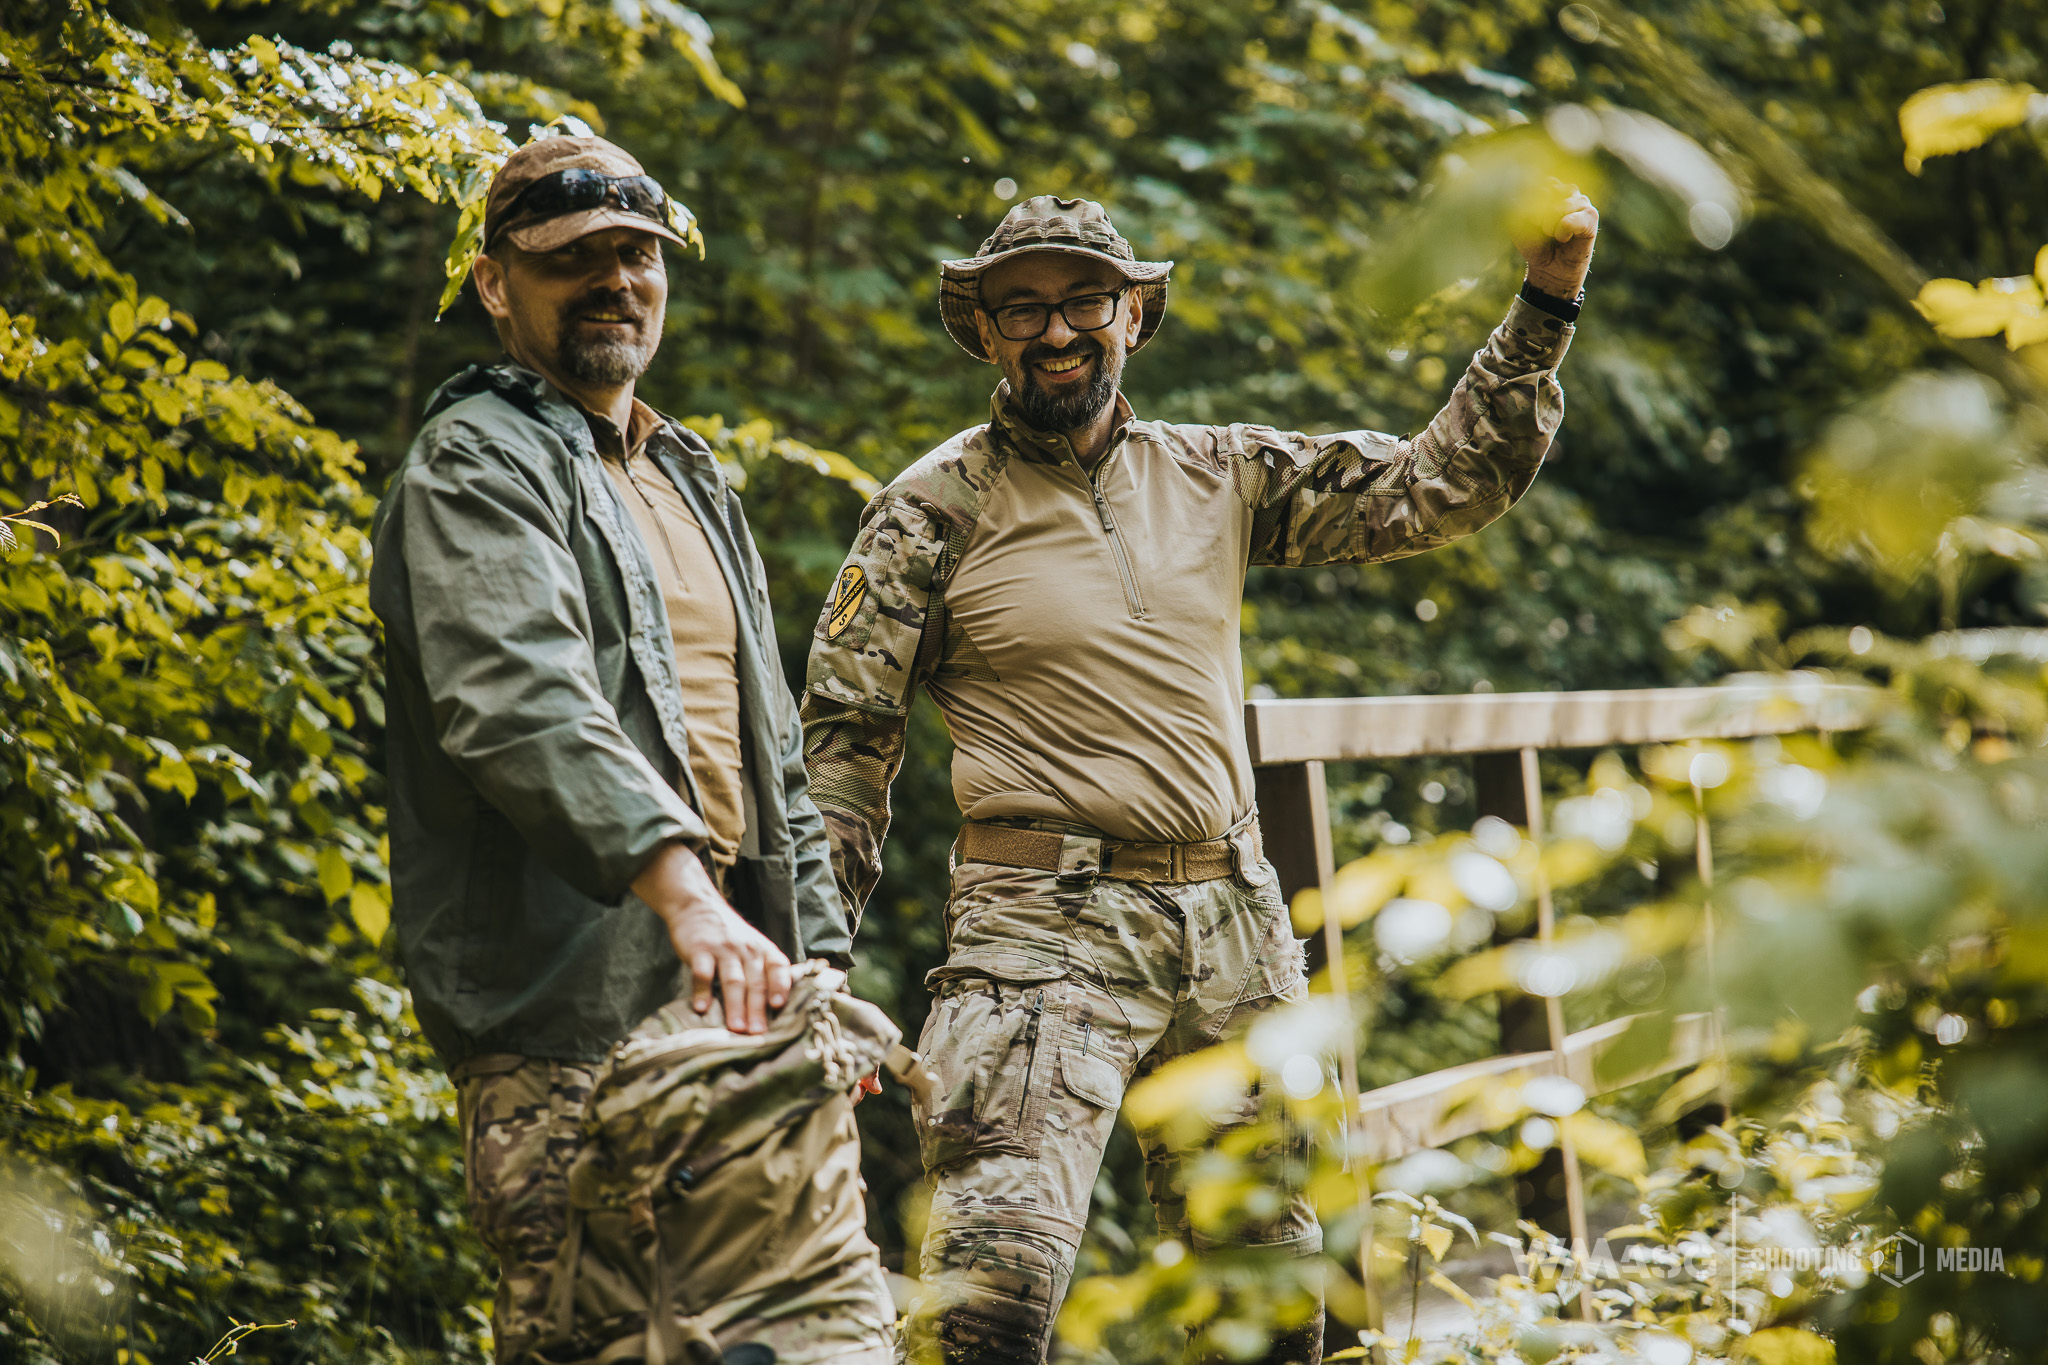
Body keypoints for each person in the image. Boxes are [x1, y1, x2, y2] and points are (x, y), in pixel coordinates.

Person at [801, 190, 1597, 1364]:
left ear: (1132, 315)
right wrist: (812, 970)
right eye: (1022, 308)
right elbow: (842, 749)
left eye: (1084, 300)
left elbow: (1439, 485)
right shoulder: (929, 511)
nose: (1056, 330)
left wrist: (1545, 299)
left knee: (1266, 1309)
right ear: (984, 332)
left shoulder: (1218, 472)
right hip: (1038, 936)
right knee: (986, 1305)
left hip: (1232, 929)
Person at [369, 133, 893, 1364]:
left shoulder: (686, 475)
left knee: (823, 1342)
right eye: (573, 260)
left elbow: (772, 757)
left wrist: (818, 969)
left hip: (750, 1009)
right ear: (496, 284)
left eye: (637, 256)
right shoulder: (474, 465)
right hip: (574, 1019)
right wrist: (686, 897)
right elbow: (518, 702)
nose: (615, 281)